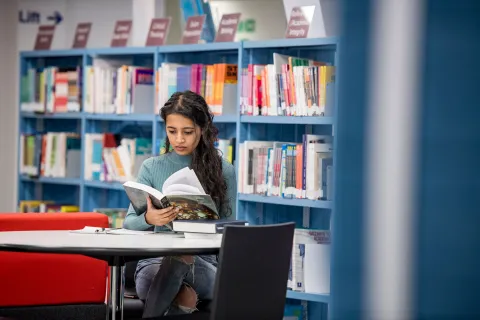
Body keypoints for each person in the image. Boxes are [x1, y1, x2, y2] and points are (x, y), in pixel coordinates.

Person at [123, 90, 237, 318]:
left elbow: (230, 230)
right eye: (172, 131)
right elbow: (128, 223)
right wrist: (149, 219)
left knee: (182, 258)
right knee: (174, 292)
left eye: (187, 132)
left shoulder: (224, 170)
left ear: (202, 130)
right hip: (154, 263)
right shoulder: (151, 167)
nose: (179, 140)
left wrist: (204, 223)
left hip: (203, 264)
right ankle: (183, 299)